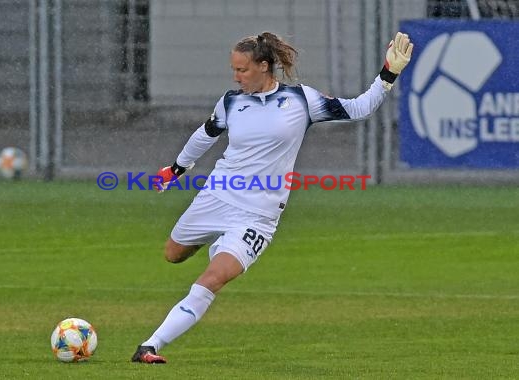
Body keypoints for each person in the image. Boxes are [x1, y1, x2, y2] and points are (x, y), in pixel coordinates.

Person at [131, 31, 413, 364]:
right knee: (173, 254)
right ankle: (221, 241)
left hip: (257, 216)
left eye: (243, 70)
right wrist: (176, 169)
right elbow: (204, 134)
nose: (236, 77)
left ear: (264, 67)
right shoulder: (231, 101)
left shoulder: (301, 100)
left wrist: (388, 74)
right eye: (234, 70)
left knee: (212, 279)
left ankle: (150, 346)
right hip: (216, 197)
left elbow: (359, 109)